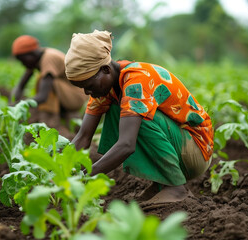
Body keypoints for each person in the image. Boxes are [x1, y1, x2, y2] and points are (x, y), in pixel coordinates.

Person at [64, 30, 214, 207]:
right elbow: (83, 136)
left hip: (196, 150)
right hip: (180, 147)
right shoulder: (107, 87)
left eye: (88, 85)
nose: (87, 93)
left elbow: (127, 144)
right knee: (121, 110)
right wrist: (57, 170)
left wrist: (85, 176)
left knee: (135, 116)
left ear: (105, 69)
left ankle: (176, 188)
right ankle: (161, 184)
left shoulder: (137, 80)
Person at [10, 35, 88, 128]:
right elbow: (21, 85)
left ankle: (49, 123)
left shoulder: (48, 58)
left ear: (31, 54)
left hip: (77, 97)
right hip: (67, 95)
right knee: (44, 79)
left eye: (23, 60)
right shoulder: (38, 57)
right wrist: (12, 101)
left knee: (45, 80)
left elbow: (43, 96)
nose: (23, 64)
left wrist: (20, 104)